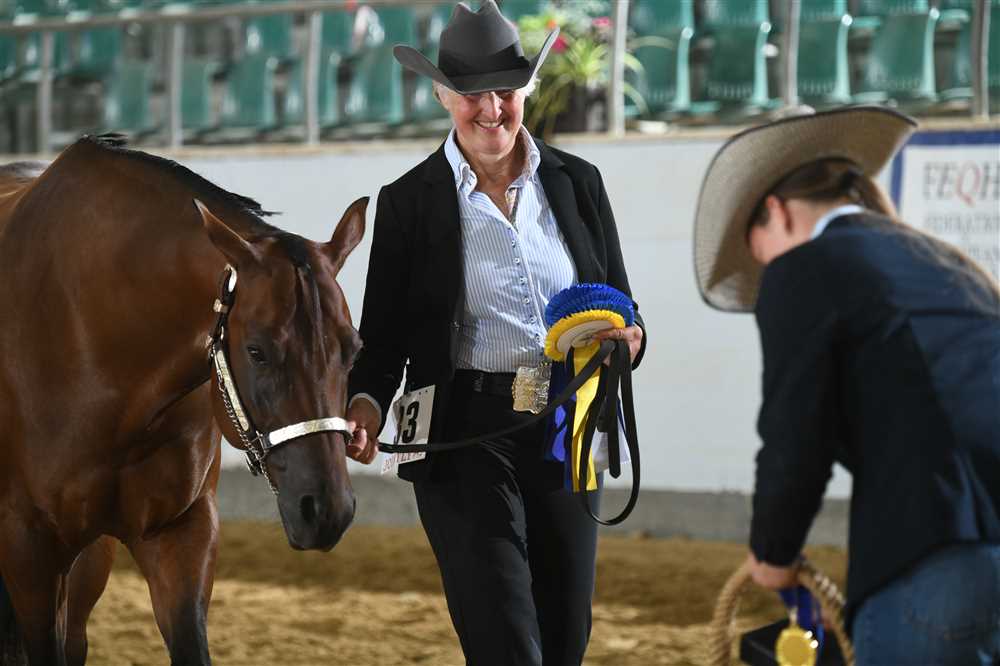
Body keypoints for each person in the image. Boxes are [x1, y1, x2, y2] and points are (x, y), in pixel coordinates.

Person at [343, 2, 646, 665]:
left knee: (565, 638)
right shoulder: (408, 201)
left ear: (525, 92)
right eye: (471, 94)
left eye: (505, 91)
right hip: (461, 430)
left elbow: (624, 307)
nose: (490, 109)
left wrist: (629, 341)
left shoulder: (578, 183)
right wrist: (364, 404)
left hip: (568, 418)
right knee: (504, 637)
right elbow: (382, 337)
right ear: (442, 97)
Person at [693, 106, 1000, 664]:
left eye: (759, 254)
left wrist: (773, 552)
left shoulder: (803, 268)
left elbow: (795, 434)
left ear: (775, 211)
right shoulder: (942, 260)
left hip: (938, 541)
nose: (767, 270)